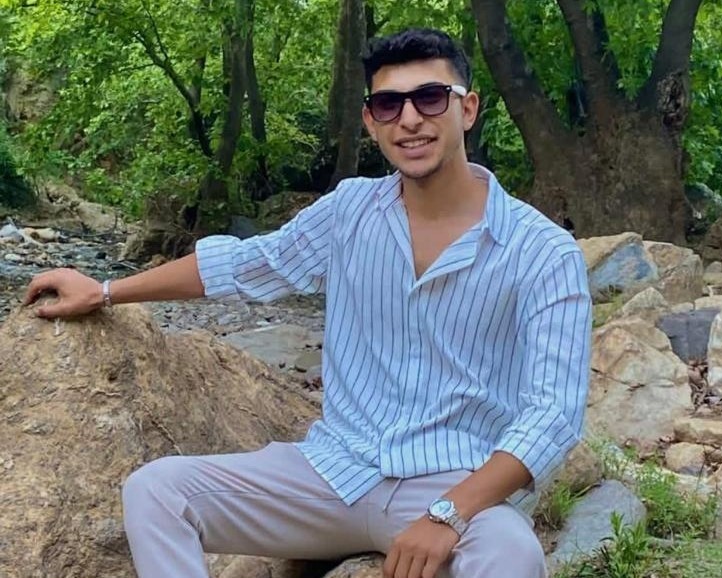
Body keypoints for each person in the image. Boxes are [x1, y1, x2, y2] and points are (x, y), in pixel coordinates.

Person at [24, 28, 592, 578]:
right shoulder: (349, 212)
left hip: (452, 482)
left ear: (467, 109)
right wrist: (104, 290)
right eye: (389, 104)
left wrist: (448, 513)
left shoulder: (542, 251)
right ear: (371, 122)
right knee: (157, 491)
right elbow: (245, 264)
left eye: (429, 97)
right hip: (331, 476)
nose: (410, 119)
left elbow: (553, 415)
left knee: (512, 554)